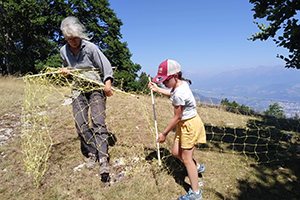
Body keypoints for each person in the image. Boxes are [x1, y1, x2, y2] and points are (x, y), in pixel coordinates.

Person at [59, 16, 114, 181]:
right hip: (78, 90)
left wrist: (108, 84)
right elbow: (67, 70)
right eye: (70, 39)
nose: (74, 42)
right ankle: (92, 152)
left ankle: (103, 158)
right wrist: (66, 72)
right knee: (80, 121)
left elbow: (106, 66)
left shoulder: (90, 48)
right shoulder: (64, 51)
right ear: (65, 38)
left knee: (97, 121)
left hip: (95, 87)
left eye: (76, 38)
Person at [148, 59, 206, 200]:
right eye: (161, 81)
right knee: (176, 152)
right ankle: (196, 166)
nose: (163, 83)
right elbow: (171, 93)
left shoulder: (180, 92)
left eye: (165, 81)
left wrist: (164, 133)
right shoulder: (180, 85)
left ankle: (196, 193)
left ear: (174, 76)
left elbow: (177, 117)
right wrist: (157, 89)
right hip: (184, 125)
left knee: (186, 159)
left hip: (189, 126)